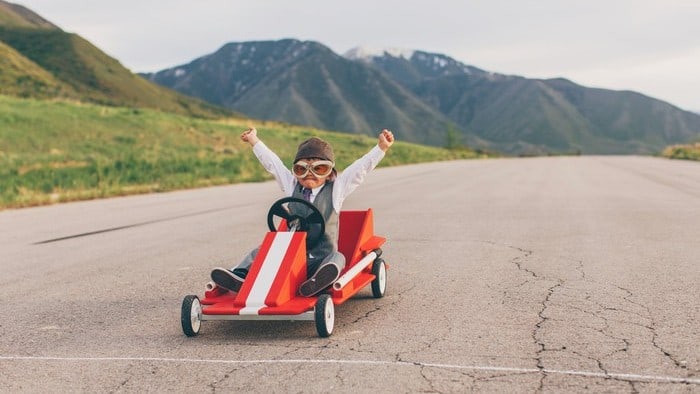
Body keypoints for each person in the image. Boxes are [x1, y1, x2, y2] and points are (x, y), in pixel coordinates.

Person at [211, 127, 394, 297]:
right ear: (296, 171)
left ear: (329, 172)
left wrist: (380, 148)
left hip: (319, 260)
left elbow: (359, 169)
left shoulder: (336, 190)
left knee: (338, 258)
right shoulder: (292, 187)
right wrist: (254, 140)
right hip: (291, 258)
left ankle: (318, 282)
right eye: (301, 169)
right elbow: (273, 164)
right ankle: (239, 276)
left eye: (319, 169)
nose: (309, 174)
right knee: (261, 251)